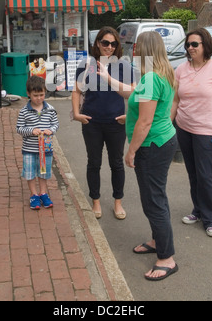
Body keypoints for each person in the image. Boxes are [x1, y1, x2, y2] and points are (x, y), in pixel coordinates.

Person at [124, 31, 178, 282]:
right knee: (156, 196)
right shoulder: (163, 74)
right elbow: (153, 111)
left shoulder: (149, 79)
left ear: (143, 51)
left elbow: (145, 122)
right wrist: (131, 118)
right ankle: (158, 240)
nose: (133, 52)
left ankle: (167, 258)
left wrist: (131, 149)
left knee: (153, 200)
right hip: (163, 139)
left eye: (136, 48)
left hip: (151, 145)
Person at [171, 28, 212, 237]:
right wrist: (168, 124)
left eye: (194, 44)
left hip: (207, 130)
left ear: (205, 45)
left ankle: (211, 218)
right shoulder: (181, 69)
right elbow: (175, 100)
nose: (190, 48)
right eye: (188, 45)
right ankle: (197, 210)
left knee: (205, 175)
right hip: (184, 128)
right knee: (193, 173)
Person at [72, 26, 134, 220]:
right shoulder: (87, 64)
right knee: (94, 162)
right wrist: (76, 114)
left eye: (113, 44)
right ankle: (96, 200)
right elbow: (77, 91)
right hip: (92, 122)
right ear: (97, 43)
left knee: (116, 163)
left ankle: (118, 202)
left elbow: (134, 92)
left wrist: (128, 115)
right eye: (105, 42)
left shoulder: (123, 66)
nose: (109, 47)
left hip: (116, 122)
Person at [17, 76, 59, 210]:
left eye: (41, 95)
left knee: (43, 172)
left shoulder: (50, 109)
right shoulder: (24, 111)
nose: (39, 98)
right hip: (29, 149)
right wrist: (31, 130)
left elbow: (56, 124)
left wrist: (50, 130)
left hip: (45, 149)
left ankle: (43, 193)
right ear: (28, 94)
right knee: (30, 172)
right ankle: (34, 195)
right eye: (35, 95)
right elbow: (19, 128)